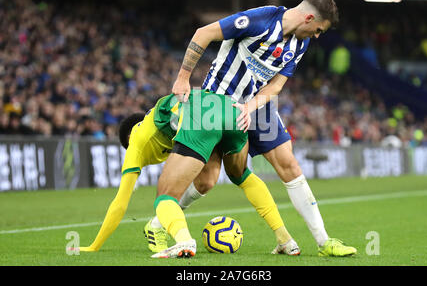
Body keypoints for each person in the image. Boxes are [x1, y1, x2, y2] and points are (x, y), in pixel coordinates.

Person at [169, 0, 356, 256]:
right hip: (219, 100)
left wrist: (250, 107)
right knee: (207, 180)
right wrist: (183, 78)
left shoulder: (299, 45)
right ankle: (161, 220)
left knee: (289, 163)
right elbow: (204, 32)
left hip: (256, 104)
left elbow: (277, 85)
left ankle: (324, 242)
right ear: (309, 17)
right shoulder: (260, 19)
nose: (316, 36)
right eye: (317, 30)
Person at [79, 90, 300, 257]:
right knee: (233, 176)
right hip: (231, 109)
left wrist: (94, 246)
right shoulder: (160, 117)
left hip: (200, 118)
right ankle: (286, 240)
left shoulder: (135, 140)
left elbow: (120, 203)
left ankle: (184, 240)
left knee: (165, 196)